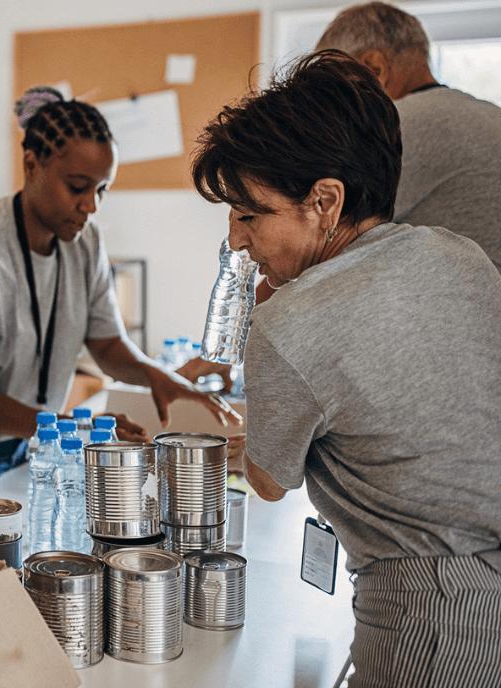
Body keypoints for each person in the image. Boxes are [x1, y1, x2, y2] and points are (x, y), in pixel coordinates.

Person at [192, 50, 501, 687]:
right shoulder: (458, 255)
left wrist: (267, 327)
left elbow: (269, 481)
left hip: (432, 607)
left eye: (250, 215)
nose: (236, 242)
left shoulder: (290, 323)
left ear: (325, 202)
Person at [0, 87, 239, 493]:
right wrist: (77, 427)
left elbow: (106, 346)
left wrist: (156, 376)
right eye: (77, 187)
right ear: (31, 165)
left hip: (31, 437)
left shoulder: (85, 242)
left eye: (102, 189)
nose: (91, 205)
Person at [316, 2, 501, 270]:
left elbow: (316, 242)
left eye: (335, 88)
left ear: (374, 68)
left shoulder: (395, 128)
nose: (332, 107)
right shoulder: (490, 115)